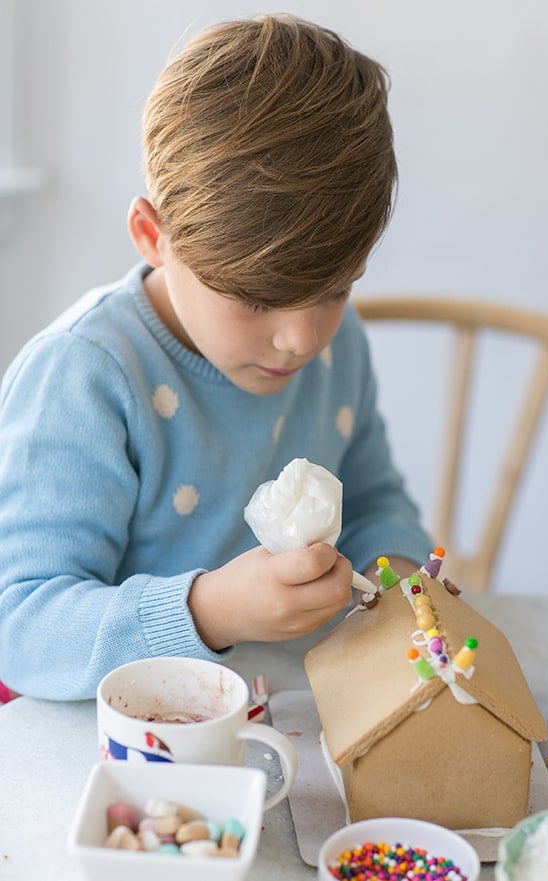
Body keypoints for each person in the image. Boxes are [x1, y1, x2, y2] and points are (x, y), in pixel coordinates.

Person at [0, 14, 432, 701]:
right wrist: (210, 609)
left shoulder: (335, 347)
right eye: (256, 300)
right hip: (119, 752)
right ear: (152, 235)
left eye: (335, 290)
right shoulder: (86, 378)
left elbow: (375, 496)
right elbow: (21, 627)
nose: (300, 338)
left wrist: (399, 577)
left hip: (285, 720)